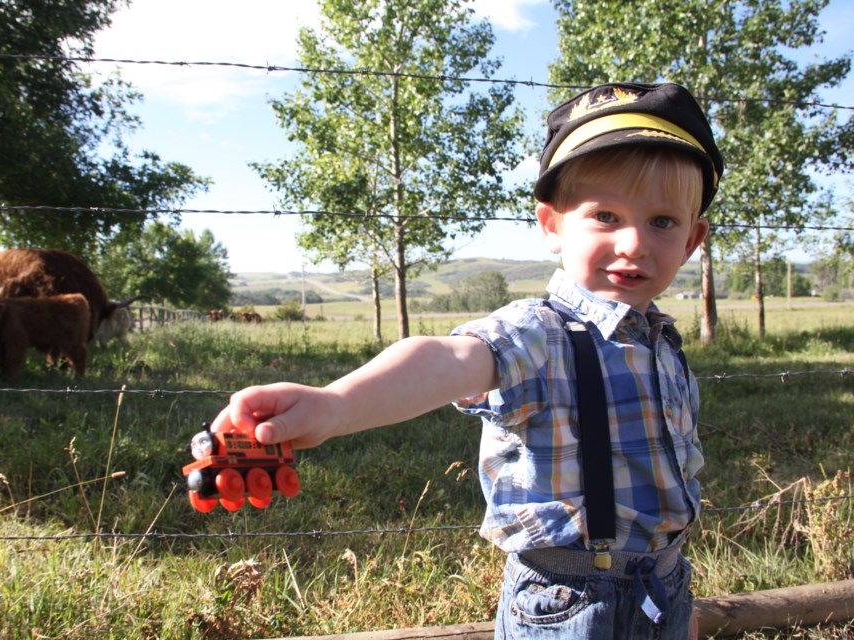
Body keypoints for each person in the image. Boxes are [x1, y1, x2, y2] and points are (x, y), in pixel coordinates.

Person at [211, 81, 723, 639]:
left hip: (664, 586)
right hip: (571, 603)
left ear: (693, 239)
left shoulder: (662, 345)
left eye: (663, 222)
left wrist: (672, 597)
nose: (633, 243)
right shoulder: (541, 332)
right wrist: (336, 404)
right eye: (605, 215)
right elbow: (447, 358)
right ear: (552, 225)